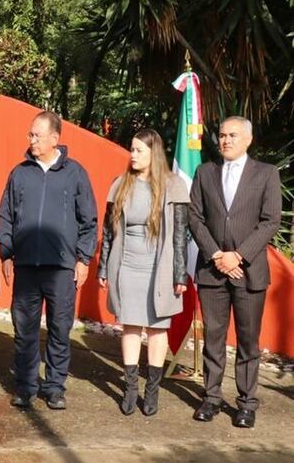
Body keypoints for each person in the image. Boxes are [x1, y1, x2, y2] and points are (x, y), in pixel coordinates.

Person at [0, 111, 97, 410]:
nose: (31, 140)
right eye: (30, 135)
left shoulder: (75, 173)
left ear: (55, 138)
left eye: (36, 135)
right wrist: (6, 252)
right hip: (26, 266)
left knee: (59, 328)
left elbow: (88, 220)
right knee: (24, 328)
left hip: (62, 267)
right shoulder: (19, 173)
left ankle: (54, 387)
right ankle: (27, 386)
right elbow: (6, 215)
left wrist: (83, 258)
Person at [188, 116, 282, 429]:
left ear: (248, 140)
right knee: (213, 338)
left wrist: (238, 256)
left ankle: (246, 404)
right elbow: (195, 218)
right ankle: (211, 398)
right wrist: (216, 254)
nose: (226, 140)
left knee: (247, 341)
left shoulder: (266, 174)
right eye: (222, 135)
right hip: (212, 271)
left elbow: (270, 221)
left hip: (248, 271)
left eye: (233, 135)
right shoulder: (205, 172)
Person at [97, 129, 189, 416]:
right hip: (127, 266)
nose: (132, 155)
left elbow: (180, 234)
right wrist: (103, 266)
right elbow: (108, 231)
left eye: (139, 150)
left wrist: (179, 274)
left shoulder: (173, 186)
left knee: (157, 327)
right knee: (131, 325)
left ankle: (152, 389)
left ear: (154, 153)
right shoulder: (120, 184)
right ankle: (131, 387)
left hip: (159, 267)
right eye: (132, 149)